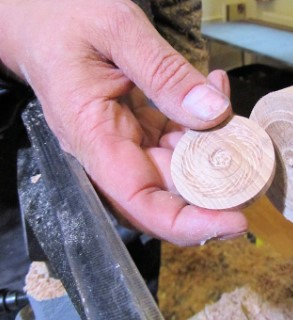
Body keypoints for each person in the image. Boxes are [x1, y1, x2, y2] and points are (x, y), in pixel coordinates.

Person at [0, 0, 248, 248]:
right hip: (11, 132)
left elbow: (177, 9)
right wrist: (25, 23)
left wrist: (184, 88)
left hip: (136, 118)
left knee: (127, 259)